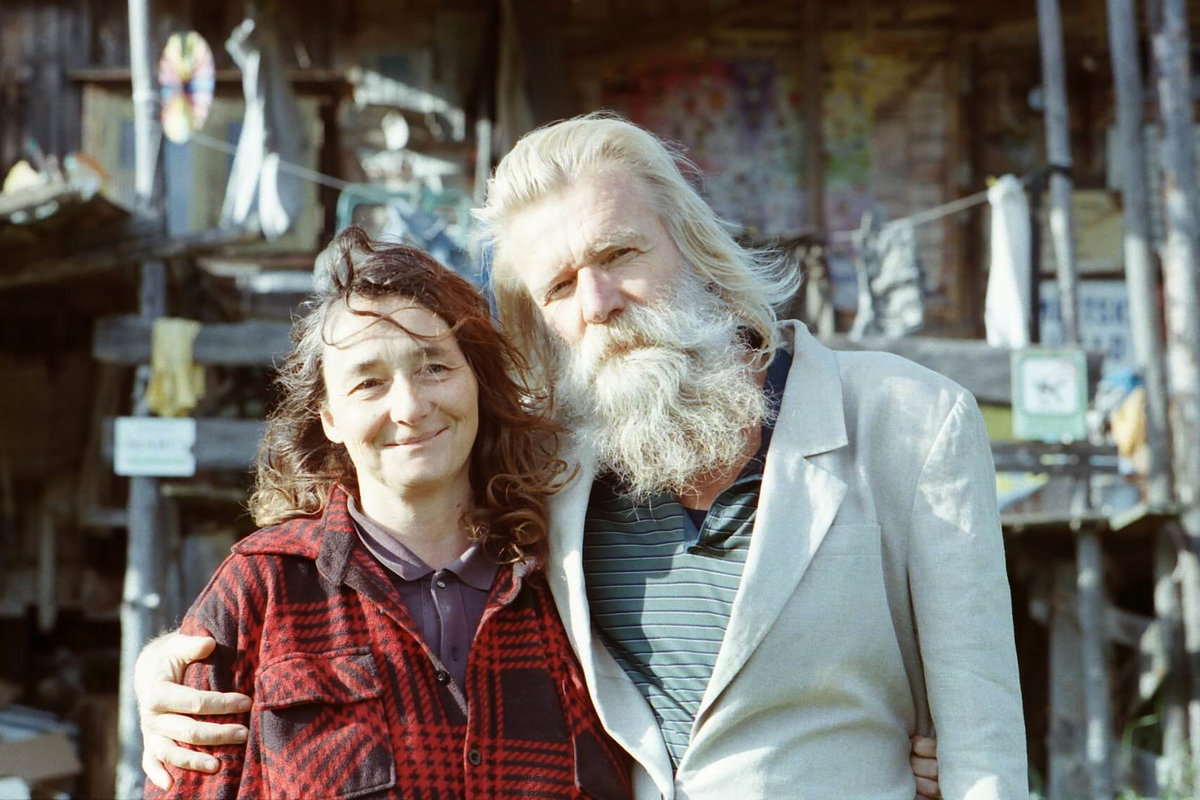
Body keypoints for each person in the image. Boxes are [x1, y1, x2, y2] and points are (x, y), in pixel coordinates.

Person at [138, 113, 1023, 798]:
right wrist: (166, 669)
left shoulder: (910, 423)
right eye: (559, 286)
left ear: (694, 245)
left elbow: (982, 740)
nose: (598, 301)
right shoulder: (554, 471)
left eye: (620, 253)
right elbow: (382, 520)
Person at [142, 230, 632, 799]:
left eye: (434, 368)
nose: (410, 407)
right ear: (329, 417)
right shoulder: (262, 589)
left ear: (477, 381)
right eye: (369, 383)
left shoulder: (570, 574)